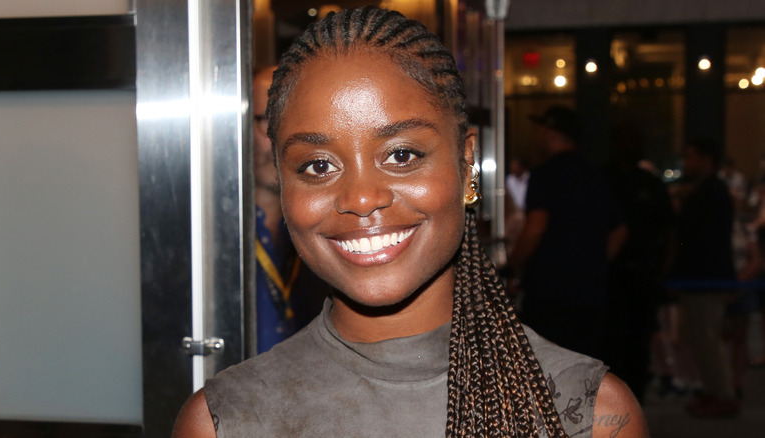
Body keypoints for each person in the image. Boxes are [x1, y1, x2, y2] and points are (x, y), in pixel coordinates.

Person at [172, 8, 648, 437]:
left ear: (467, 165)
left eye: (401, 155)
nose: (361, 198)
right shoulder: (224, 422)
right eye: (317, 166)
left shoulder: (589, 415)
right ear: (282, 182)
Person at [508, 105, 627, 360]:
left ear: (550, 132)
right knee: (583, 367)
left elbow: (535, 228)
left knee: (546, 367)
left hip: (549, 291)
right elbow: (619, 230)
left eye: (538, 130)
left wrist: (514, 263)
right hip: (590, 293)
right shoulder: (595, 174)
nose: (534, 136)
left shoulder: (545, 175)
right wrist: (593, 263)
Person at [252, 66, 326, 353]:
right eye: (266, 123)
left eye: (293, 124)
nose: (280, 142)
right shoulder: (208, 233)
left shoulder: (334, 228)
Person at [603, 122, 674, 402]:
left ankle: (635, 402)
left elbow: (669, 231)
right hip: (609, 277)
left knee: (638, 344)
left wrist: (663, 269)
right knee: (609, 344)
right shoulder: (603, 179)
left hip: (642, 275)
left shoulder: (651, 184)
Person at [668, 138, 739, 417]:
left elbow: (699, 239)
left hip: (705, 277)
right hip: (703, 275)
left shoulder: (711, 192)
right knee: (699, 336)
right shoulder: (709, 190)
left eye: (691, 157)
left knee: (706, 337)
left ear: (706, 159)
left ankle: (722, 393)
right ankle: (715, 390)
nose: (687, 163)